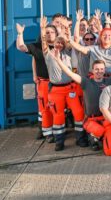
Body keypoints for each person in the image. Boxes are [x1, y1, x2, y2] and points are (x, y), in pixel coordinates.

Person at [55, 57, 111, 151]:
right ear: (92, 70)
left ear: (104, 70)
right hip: (92, 119)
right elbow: (70, 73)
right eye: (96, 69)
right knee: (98, 132)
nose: (99, 71)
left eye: (101, 69)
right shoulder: (86, 82)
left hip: (107, 118)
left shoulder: (109, 81)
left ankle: (104, 137)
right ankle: (93, 137)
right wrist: (58, 60)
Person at [37, 16, 86, 151]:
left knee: (78, 112)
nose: (59, 44)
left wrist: (67, 29)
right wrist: (42, 29)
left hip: (70, 89)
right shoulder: (49, 54)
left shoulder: (68, 52)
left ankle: (81, 139)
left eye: (61, 42)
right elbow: (44, 43)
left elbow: (70, 40)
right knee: (58, 116)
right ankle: (59, 142)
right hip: (56, 91)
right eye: (57, 42)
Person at [15, 21, 55, 140]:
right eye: (47, 32)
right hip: (44, 83)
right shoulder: (36, 47)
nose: (50, 34)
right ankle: (47, 133)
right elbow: (21, 47)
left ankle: (58, 132)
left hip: (59, 84)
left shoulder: (60, 46)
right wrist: (20, 34)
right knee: (45, 109)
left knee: (58, 109)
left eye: (52, 32)